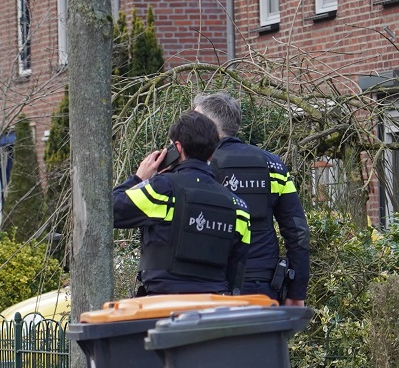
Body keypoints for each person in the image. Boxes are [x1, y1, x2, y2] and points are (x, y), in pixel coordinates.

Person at [112, 110, 252, 296]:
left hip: (162, 310)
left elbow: (107, 211)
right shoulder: (238, 207)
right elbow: (236, 272)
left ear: (177, 148)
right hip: (214, 310)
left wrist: (138, 178)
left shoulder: (162, 190)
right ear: (211, 154)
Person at [192, 91, 311, 304]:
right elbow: (298, 231)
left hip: (206, 286)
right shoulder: (272, 165)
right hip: (261, 286)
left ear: (208, 124)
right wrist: (297, 291)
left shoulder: (195, 167)